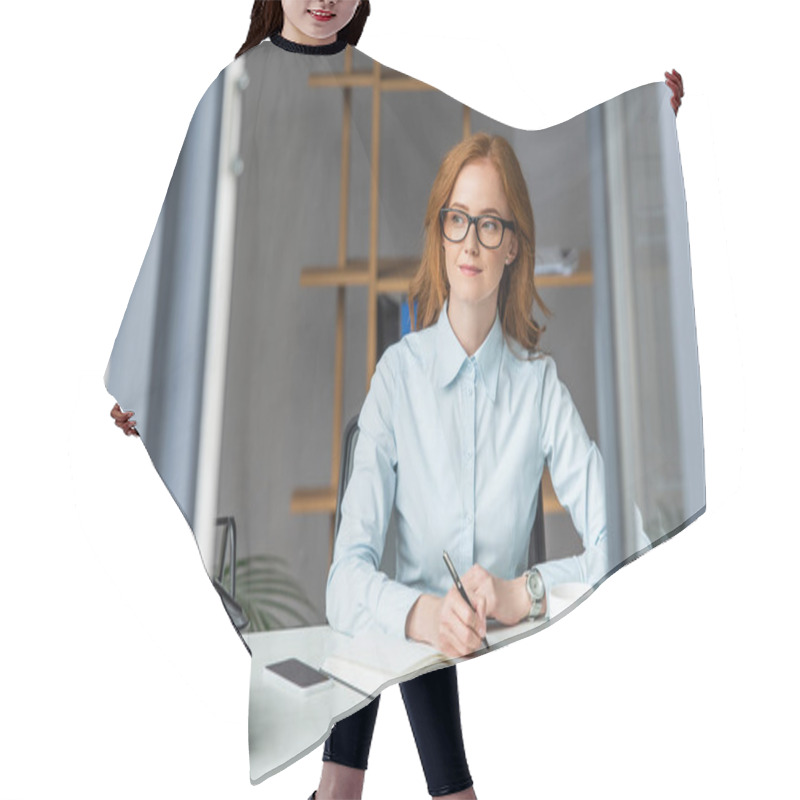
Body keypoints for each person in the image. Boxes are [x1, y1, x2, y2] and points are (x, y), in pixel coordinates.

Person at [107, 4, 686, 798]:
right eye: (459, 222)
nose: (475, 242)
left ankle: (349, 787)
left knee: (380, 738)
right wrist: (150, 378)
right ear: (438, 234)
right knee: (405, 695)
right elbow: (197, 252)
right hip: (399, 607)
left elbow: (621, 530)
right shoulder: (399, 377)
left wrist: (641, 133)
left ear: (515, 244)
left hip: (430, 614)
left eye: (492, 226)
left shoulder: (536, 387)